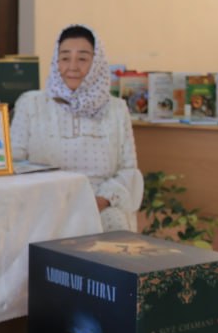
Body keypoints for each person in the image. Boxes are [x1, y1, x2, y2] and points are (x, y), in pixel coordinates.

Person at [10, 24, 142, 232]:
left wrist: (100, 201)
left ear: (96, 63)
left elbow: (128, 169)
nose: (72, 67)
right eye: (65, 58)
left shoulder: (116, 109)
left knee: (113, 226)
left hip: (99, 204)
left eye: (82, 59)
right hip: (44, 202)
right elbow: (14, 161)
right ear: (56, 62)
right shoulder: (31, 103)